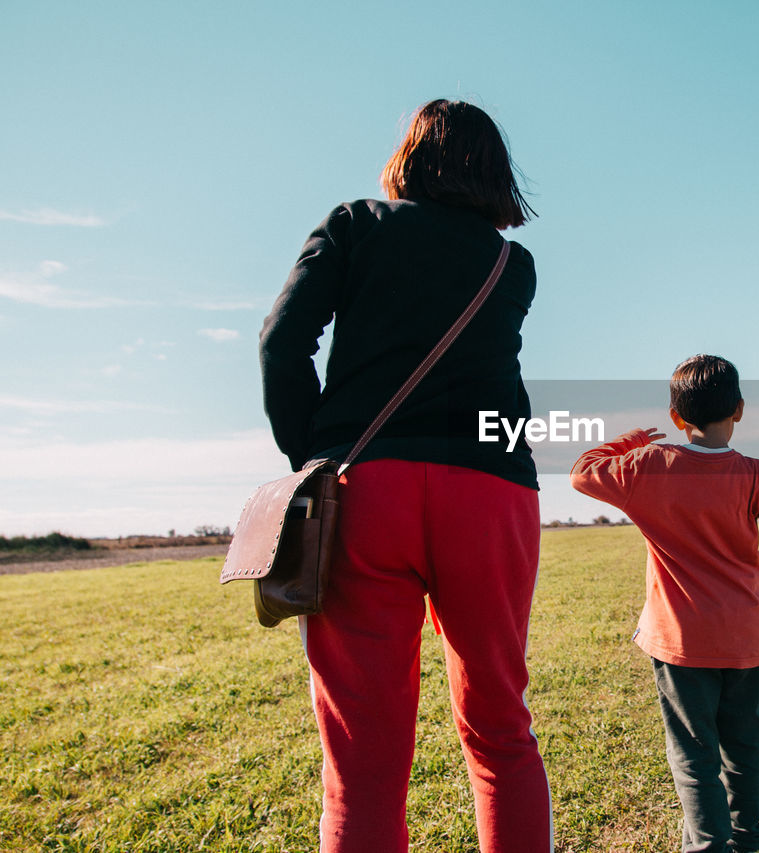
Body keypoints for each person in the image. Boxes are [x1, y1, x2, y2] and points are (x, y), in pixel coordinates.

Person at [259, 99, 551, 853]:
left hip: (368, 487)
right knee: (500, 728)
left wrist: (313, 457)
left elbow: (281, 342)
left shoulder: (355, 223)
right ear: (494, 172)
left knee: (362, 762)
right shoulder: (510, 264)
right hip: (492, 491)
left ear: (410, 158)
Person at [569, 354, 759, 853]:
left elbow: (583, 473)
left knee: (695, 758)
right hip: (743, 641)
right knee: (744, 751)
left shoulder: (649, 465)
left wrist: (630, 441)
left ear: (676, 417)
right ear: (738, 409)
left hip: (679, 643)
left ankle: (708, 847)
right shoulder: (755, 474)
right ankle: (745, 840)